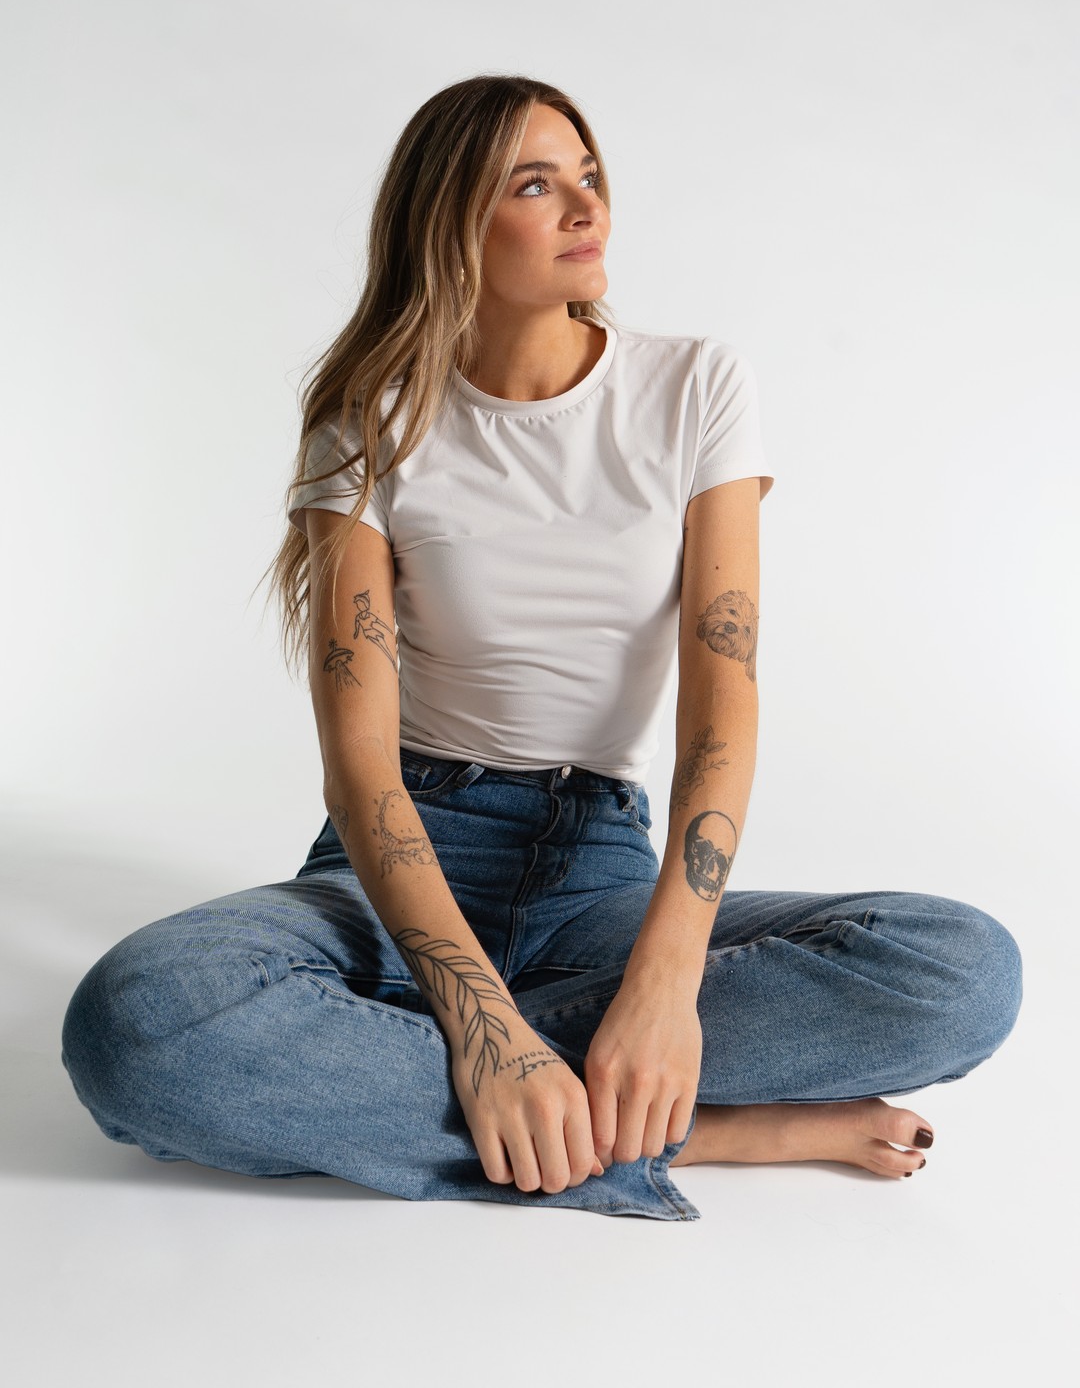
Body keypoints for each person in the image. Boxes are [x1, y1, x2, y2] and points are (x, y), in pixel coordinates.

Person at [60, 74, 1023, 1222]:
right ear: (450, 223)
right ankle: (688, 1133)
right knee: (138, 1025)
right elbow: (360, 770)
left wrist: (663, 988)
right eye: (535, 184)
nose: (585, 206)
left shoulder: (694, 385)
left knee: (962, 970)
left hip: (597, 875)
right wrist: (484, 1033)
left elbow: (723, 702)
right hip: (404, 860)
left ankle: (430, 1074)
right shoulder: (368, 424)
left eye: (589, 175)